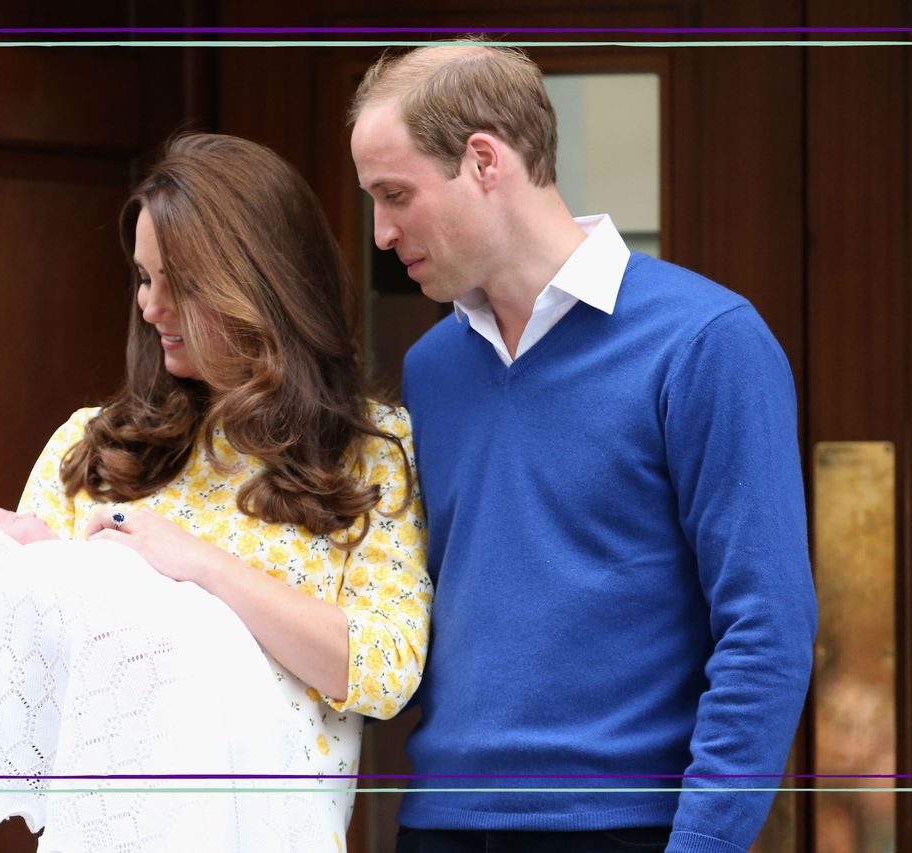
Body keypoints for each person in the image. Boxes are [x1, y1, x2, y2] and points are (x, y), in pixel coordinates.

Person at [348, 40, 817, 853]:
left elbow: (767, 628)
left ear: (484, 161)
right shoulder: (432, 369)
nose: (383, 233)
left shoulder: (706, 342)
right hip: (438, 824)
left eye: (396, 195)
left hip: (627, 828)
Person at [0, 133, 433, 852]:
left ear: (264, 282)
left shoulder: (369, 452)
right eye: (143, 277)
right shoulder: (92, 445)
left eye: (182, 283)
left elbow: (384, 669)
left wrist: (197, 566)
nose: (151, 306)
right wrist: (70, 585)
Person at [0, 505, 326, 852]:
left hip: (230, 713)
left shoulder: (69, 563)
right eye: (13, 520)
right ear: (1, 555)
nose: (28, 512)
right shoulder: (40, 576)